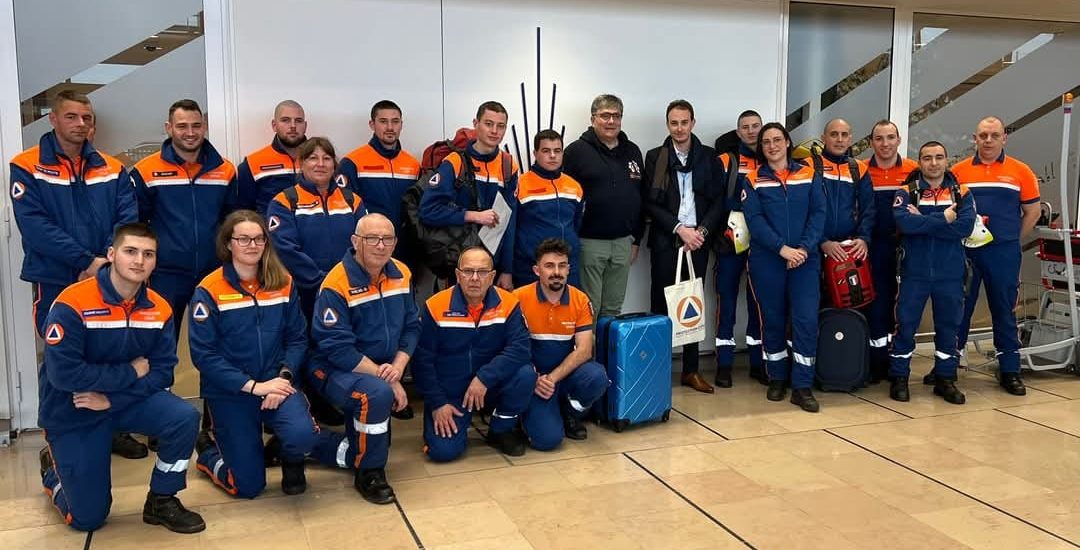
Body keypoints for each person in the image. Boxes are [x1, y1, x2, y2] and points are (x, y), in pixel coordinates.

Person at [37, 223, 204, 533]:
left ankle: (162, 499)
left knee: (182, 417)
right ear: (112, 254)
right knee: (87, 518)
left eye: (148, 254)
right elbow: (65, 375)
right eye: (130, 251)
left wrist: (112, 399)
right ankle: (54, 472)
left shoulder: (160, 308)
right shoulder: (72, 303)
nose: (139, 261)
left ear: (155, 261)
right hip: (74, 407)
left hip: (119, 400)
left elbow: (163, 371)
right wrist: (130, 371)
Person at [10, 91, 150, 460]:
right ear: (53, 120)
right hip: (55, 277)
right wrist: (85, 262)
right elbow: (35, 226)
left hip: (107, 276)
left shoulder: (113, 167)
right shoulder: (26, 166)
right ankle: (57, 436)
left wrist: (106, 262)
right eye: (71, 117)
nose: (81, 124)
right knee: (60, 355)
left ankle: (111, 427)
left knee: (110, 350)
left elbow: (126, 218)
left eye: (86, 118)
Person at [189, 210, 318, 498]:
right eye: (243, 238)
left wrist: (283, 378)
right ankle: (209, 453)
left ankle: (292, 459)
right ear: (228, 244)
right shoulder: (208, 290)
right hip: (232, 392)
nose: (252, 245)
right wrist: (254, 386)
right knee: (247, 487)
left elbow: (297, 338)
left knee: (303, 436)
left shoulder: (283, 282)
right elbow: (204, 355)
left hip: (278, 383)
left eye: (259, 238)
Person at [304, 213, 415, 504]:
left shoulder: (402, 273)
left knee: (376, 438)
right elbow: (338, 349)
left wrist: (398, 369)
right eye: (371, 239)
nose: (380, 245)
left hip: (380, 369)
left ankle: (306, 444)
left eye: (387, 239)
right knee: (375, 395)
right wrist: (387, 379)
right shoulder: (335, 284)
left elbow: (412, 327)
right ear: (355, 242)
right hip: (331, 366)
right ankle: (370, 472)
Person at [413, 247, 535, 461]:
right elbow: (422, 361)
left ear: (492, 276)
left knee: (525, 374)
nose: (475, 278)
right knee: (443, 453)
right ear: (458, 275)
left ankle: (501, 429)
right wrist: (438, 402)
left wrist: (484, 377)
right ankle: (453, 422)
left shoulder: (509, 304)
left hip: (491, 385)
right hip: (451, 392)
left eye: (482, 272)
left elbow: (521, 348)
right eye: (468, 271)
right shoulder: (435, 306)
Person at [132, 99, 239, 336]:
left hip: (215, 272)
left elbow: (233, 222)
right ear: (168, 128)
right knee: (161, 345)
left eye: (196, 125)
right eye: (182, 126)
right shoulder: (145, 171)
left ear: (204, 127)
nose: (190, 133)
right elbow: (135, 227)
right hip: (165, 275)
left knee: (219, 344)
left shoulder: (226, 170)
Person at [643, 100, 726, 394]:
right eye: (673, 123)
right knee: (661, 305)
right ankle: (657, 368)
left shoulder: (709, 157)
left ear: (693, 122)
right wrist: (680, 229)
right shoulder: (656, 157)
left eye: (684, 122)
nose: (679, 128)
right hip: (668, 239)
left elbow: (719, 200)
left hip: (699, 242)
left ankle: (691, 370)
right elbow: (650, 202)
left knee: (692, 306)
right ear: (668, 125)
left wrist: (700, 231)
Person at [954, 117, 1041, 395]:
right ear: (974, 139)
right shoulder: (958, 171)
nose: (988, 140)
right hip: (965, 251)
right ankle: (948, 366)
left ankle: (1010, 370)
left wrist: (1012, 240)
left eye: (994, 135)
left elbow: (1033, 212)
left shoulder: (1021, 171)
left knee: (1004, 310)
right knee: (959, 308)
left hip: (1002, 253)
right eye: (983, 135)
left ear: (1004, 138)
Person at [742, 123, 826, 413]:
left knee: (805, 321)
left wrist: (803, 248)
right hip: (768, 260)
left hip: (805, 260)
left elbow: (819, 213)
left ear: (788, 142)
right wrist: (783, 249)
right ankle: (777, 377)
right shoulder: (753, 180)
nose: (772, 146)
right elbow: (755, 221)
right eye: (766, 142)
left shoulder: (810, 174)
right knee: (773, 320)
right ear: (761, 148)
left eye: (777, 140)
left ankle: (802, 386)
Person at [890, 142, 974, 404]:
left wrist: (923, 222)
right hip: (914, 272)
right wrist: (944, 218)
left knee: (949, 328)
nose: (934, 163)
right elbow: (904, 223)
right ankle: (900, 378)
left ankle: (945, 379)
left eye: (939, 157)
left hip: (950, 273)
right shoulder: (906, 192)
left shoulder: (962, 192)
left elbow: (964, 227)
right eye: (927, 158)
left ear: (947, 160)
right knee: (906, 326)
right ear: (920, 162)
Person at [514, 239, 608, 449]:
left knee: (597, 376)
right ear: (537, 270)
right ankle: (526, 414)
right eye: (549, 266)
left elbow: (584, 350)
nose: (556, 272)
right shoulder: (518, 298)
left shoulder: (580, 300)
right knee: (547, 441)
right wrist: (536, 379)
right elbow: (512, 349)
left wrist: (553, 379)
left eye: (562, 265)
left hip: (562, 377)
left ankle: (570, 413)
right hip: (535, 381)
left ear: (568, 269)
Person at [420, 101, 519, 289]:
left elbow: (509, 223)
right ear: (476, 123)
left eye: (501, 126)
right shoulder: (455, 162)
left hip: (493, 265)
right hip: (459, 262)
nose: (494, 131)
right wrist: (472, 216)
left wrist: (507, 270)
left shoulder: (508, 166)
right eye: (488, 124)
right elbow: (428, 210)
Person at [562, 94, 645, 318]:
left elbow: (640, 197)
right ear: (593, 119)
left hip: (623, 243)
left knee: (612, 309)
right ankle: (590, 354)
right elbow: (563, 199)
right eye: (605, 115)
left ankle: (609, 353)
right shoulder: (576, 152)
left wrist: (636, 238)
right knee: (589, 308)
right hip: (589, 242)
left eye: (616, 116)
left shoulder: (633, 151)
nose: (611, 121)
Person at [266, 137, 366, 321]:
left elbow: (365, 243)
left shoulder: (352, 200)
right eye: (313, 158)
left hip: (349, 290)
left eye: (327, 158)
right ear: (302, 163)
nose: (320, 164)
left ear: (334, 165)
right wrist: (321, 281)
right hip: (303, 294)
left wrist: (348, 280)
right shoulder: (284, 202)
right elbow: (285, 250)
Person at [714, 110, 765, 387]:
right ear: (737, 132)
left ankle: (758, 362)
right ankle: (724, 363)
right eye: (745, 127)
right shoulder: (726, 160)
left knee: (758, 300)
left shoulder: (772, 159)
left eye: (756, 126)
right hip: (730, 240)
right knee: (727, 299)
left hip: (762, 241)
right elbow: (712, 198)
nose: (751, 131)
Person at [865, 120, 919, 382]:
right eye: (879, 138)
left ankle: (898, 359)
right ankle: (877, 363)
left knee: (905, 305)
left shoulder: (913, 171)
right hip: (873, 247)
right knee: (877, 303)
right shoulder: (861, 170)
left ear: (898, 140)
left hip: (907, 246)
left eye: (890, 138)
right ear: (871, 142)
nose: (885, 144)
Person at [338, 100, 421, 237]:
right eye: (383, 121)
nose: (390, 127)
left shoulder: (413, 165)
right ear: (372, 124)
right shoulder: (352, 162)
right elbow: (344, 211)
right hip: (370, 241)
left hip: (407, 245)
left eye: (395, 121)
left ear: (401, 125)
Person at [512, 129, 584, 287]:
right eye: (546, 151)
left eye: (557, 151)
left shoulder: (574, 186)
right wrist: (507, 270)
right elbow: (510, 231)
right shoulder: (520, 185)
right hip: (530, 269)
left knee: (567, 310)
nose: (552, 156)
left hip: (567, 268)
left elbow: (576, 224)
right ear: (535, 153)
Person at [814, 118, 874, 275]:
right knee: (813, 298)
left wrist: (863, 238)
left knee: (846, 298)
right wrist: (822, 241)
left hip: (849, 248)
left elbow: (868, 209)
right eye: (834, 134)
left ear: (850, 139)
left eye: (844, 135)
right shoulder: (808, 167)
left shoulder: (859, 168)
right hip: (814, 247)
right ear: (823, 138)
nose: (839, 140)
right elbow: (801, 211)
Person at [235, 100, 308, 215]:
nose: (293, 126)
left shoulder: (321, 161)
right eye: (285, 120)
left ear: (305, 126)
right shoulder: (253, 163)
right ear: (274, 125)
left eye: (298, 121)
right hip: (272, 231)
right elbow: (244, 214)